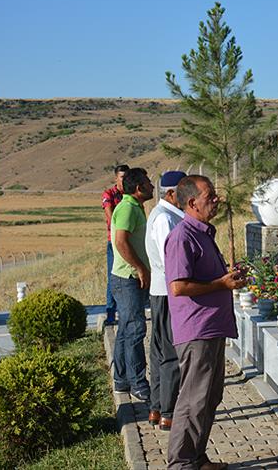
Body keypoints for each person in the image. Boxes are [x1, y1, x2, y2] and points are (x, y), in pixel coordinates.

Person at [165, 175, 246, 470]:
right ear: (191, 203)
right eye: (210, 196)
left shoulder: (203, 234)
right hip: (196, 330)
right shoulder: (182, 237)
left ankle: (197, 458)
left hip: (212, 327)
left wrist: (226, 281)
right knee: (193, 400)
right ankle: (181, 463)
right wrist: (220, 284)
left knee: (210, 397)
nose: (216, 200)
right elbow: (179, 287)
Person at [145, 171, 186, 431]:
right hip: (165, 292)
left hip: (163, 291)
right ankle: (168, 411)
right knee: (169, 353)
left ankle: (157, 407)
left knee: (161, 352)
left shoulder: (167, 215)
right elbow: (170, 259)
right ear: (171, 194)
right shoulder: (164, 219)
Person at [111, 167, 153, 402]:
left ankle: (122, 379)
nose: (152, 186)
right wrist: (139, 268)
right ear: (139, 188)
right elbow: (120, 242)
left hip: (129, 277)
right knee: (136, 329)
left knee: (127, 330)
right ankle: (138, 383)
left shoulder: (134, 207)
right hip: (127, 279)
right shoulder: (127, 208)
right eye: (148, 182)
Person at [102, 164, 129, 325]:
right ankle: (111, 312)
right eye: (122, 177)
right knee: (113, 276)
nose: (124, 180)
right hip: (114, 241)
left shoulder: (130, 193)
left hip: (130, 240)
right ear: (116, 178)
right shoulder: (109, 194)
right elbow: (111, 217)